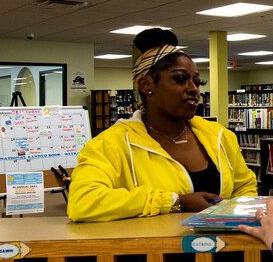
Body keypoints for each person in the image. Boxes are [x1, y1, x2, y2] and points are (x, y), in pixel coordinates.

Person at [68, 28, 256, 222]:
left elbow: (245, 186)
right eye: (181, 79)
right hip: (155, 250)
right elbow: (82, 202)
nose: (194, 89)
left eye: (198, 82)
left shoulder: (219, 136)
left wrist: (236, 216)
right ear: (146, 84)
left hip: (225, 248)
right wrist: (175, 202)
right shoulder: (111, 144)